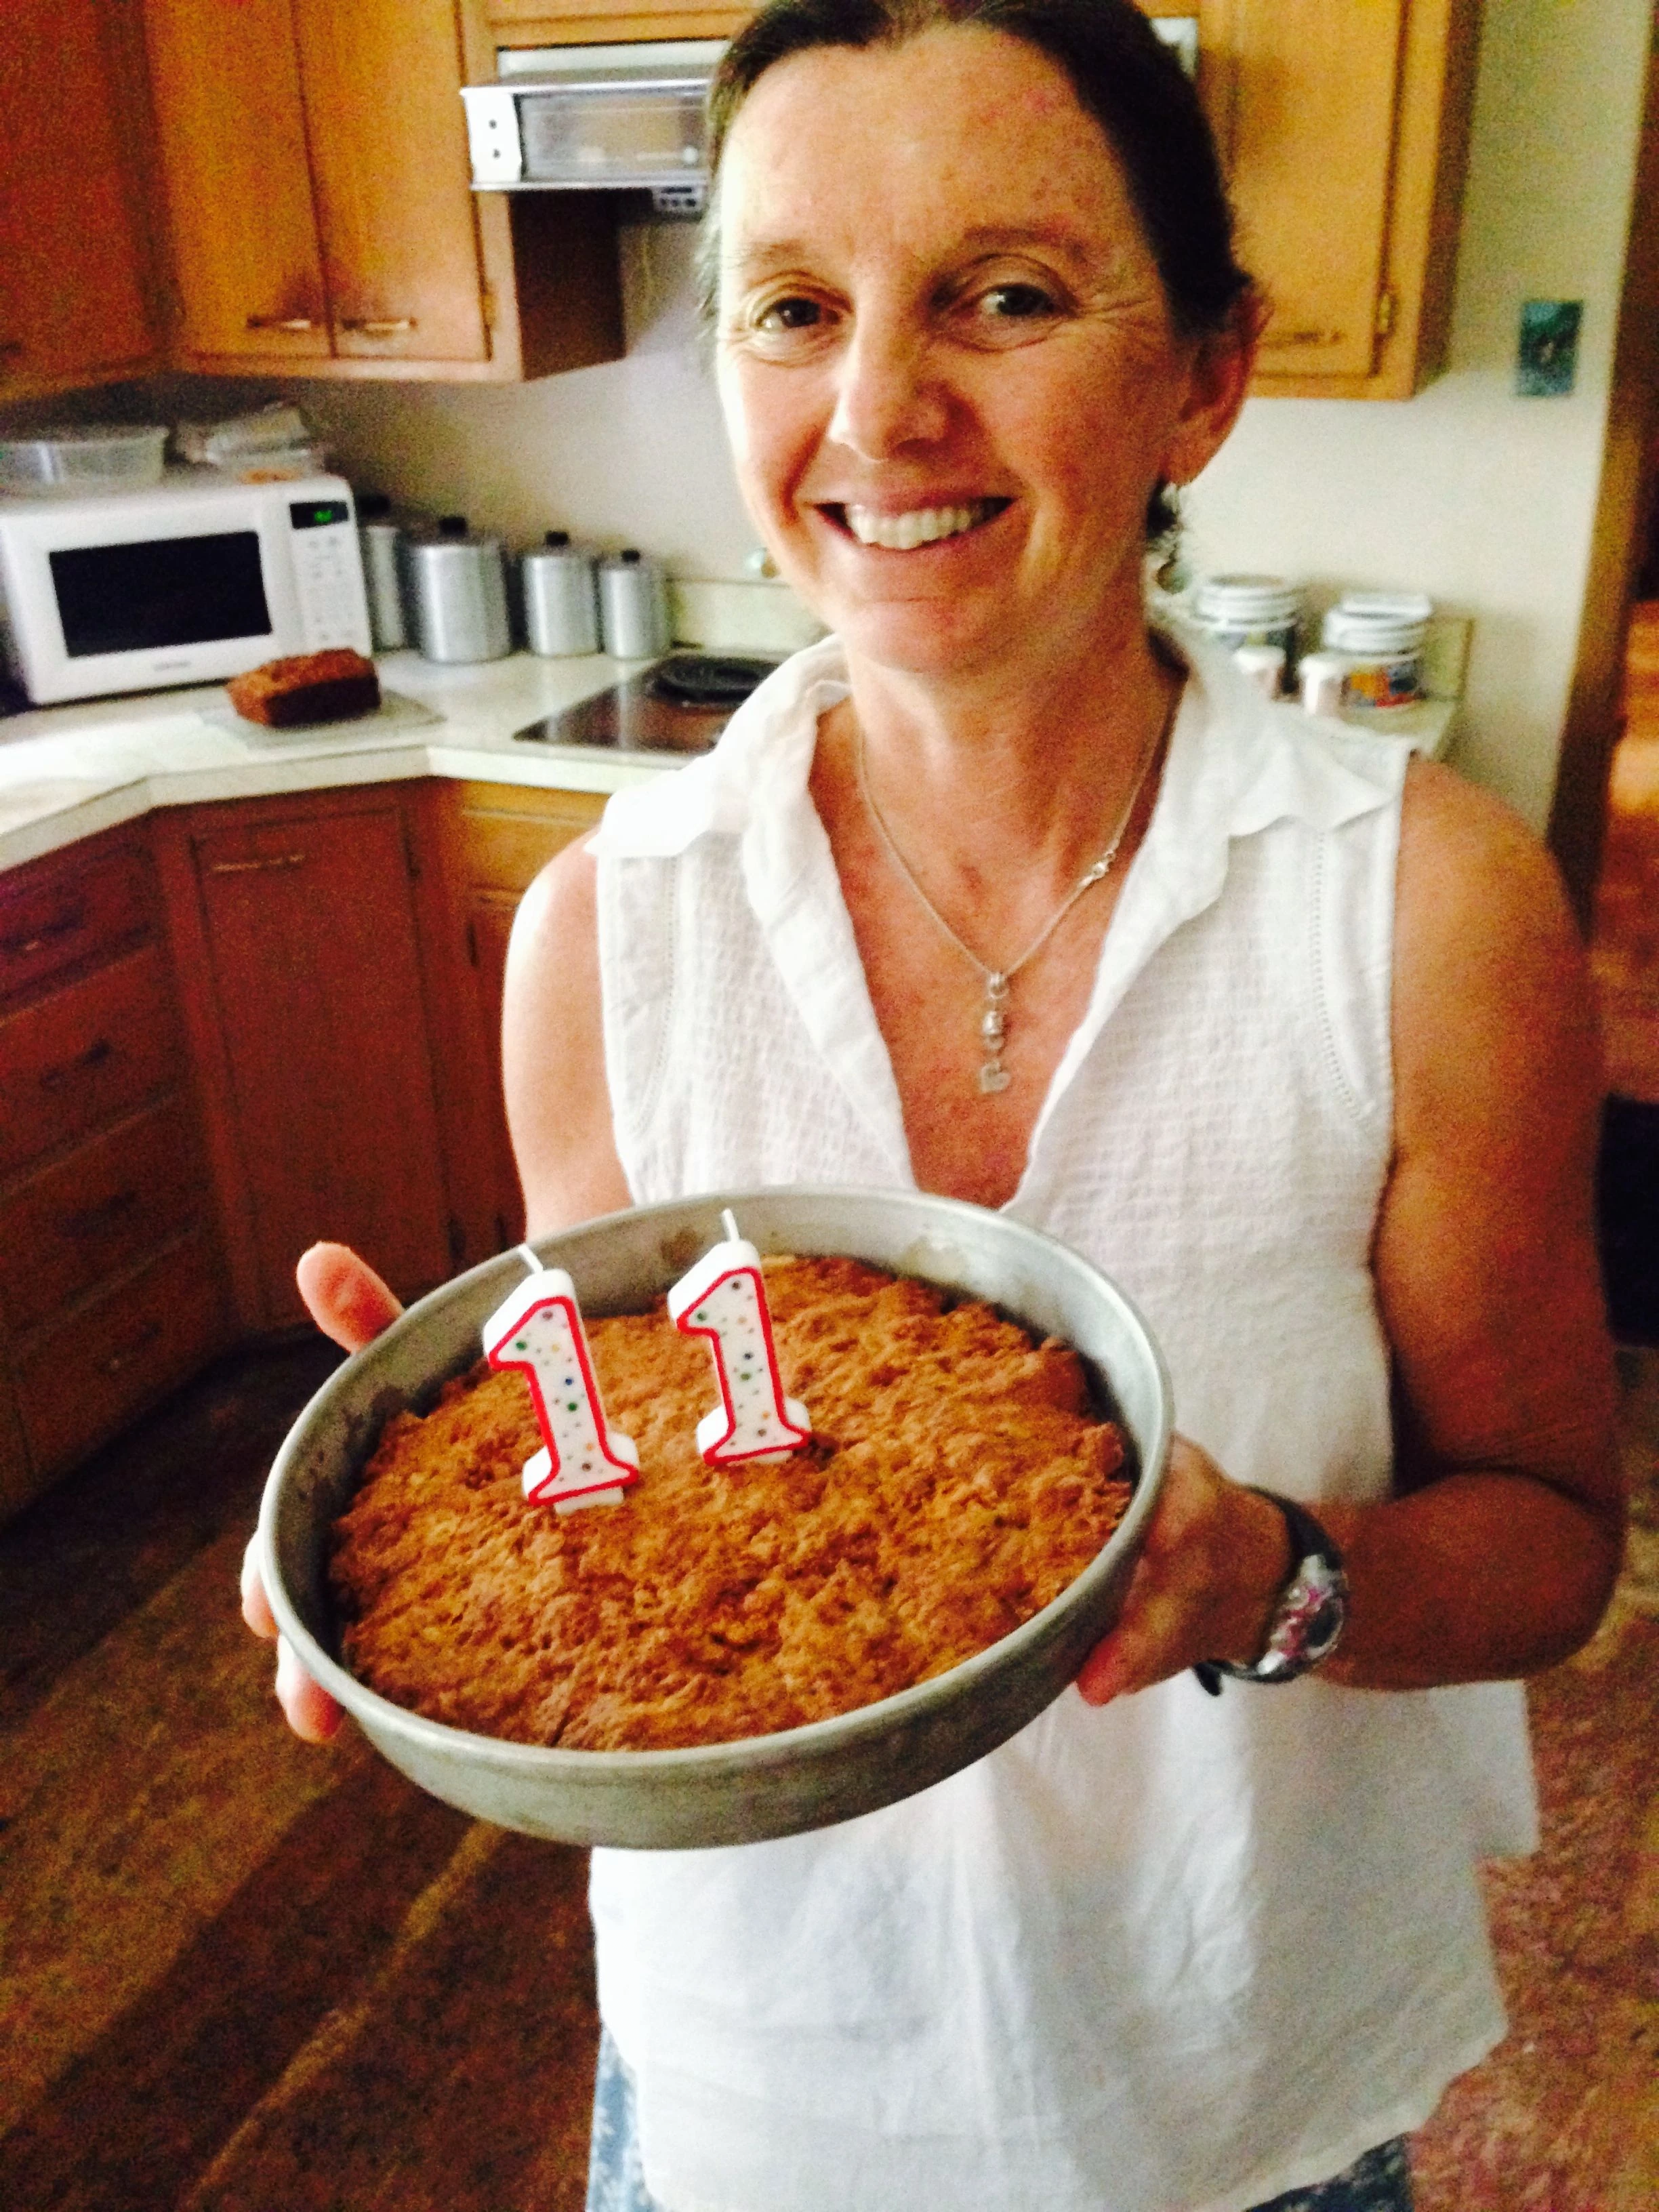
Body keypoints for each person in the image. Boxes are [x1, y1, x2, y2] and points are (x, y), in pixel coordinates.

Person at [243, 3, 1625, 2207]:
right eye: (793, 307)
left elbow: (1551, 1545)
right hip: (758, 2092)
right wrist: (437, 1517)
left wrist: (1267, 1572)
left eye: (1006, 295)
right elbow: (612, 1478)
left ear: (1205, 375)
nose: (881, 409)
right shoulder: (606, 937)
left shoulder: (1424, 915)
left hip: (1240, 2088)